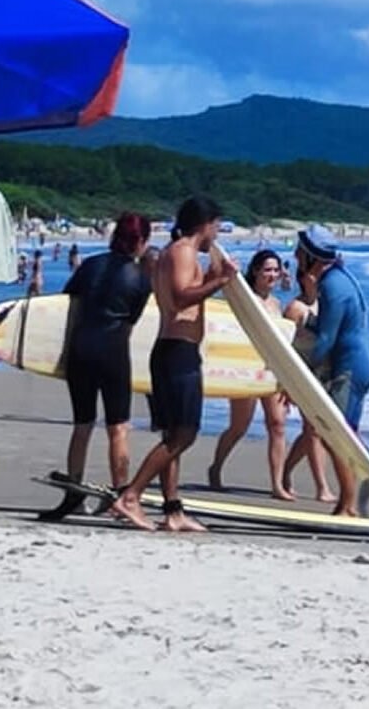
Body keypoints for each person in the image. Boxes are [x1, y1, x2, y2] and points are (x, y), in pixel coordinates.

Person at [110, 196, 238, 532]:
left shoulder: (173, 253)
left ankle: (173, 511)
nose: (217, 234)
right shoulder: (182, 251)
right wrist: (220, 281)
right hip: (178, 352)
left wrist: (211, 277)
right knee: (184, 434)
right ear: (205, 223)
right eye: (217, 226)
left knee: (172, 435)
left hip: (171, 350)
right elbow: (182, 297)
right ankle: (131, 496)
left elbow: (185, 291)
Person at [39, 213, 153, 521]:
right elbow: (130, 322)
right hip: (112, 354)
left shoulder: (89, 265)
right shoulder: (141, 278)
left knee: (82, 425)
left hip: (79, 350)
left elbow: (67, 304)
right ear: (141, 241)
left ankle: (73, 495)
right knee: (118, 428)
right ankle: (121, 496)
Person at [294, 225, 369, 518]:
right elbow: (330, 328)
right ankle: (349, 502)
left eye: (299, 251)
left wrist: (300, 372)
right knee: (345, 435)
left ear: (311, 256)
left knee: (336, 436)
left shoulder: (332, 286)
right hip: (357, 365)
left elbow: (327, 339)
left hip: (350, 368)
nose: (294, 256)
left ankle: (350, 504)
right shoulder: (340, 279)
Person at [207, 250, 293, 500]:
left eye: (276, 270)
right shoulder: (244, 298)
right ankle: (216, 467)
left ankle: (277, 485)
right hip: (245, 369)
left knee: (277, 425)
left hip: (272, 369)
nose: (273, 275)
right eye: (267, 270)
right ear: (255, 271)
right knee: (239, 426)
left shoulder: (277, 304)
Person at [280, 268, 336, 503]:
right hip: (303, 373)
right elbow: (283, 345)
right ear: (304, 279)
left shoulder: (328, 304)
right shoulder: (295, 308)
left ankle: (284, 472)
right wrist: (286, 382)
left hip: (326, 372)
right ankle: (322, 487)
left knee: (317, 429)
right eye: (314, 275)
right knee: (314, 429)